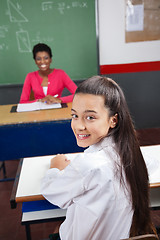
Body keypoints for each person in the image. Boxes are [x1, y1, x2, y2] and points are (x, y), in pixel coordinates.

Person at [41, 76, 157, 240]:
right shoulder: (135, 155)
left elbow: (51, 191)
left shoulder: (86, 166)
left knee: (57, 227)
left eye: (90, 117)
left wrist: (56, 168)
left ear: (113, 120)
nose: (79, 126)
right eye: (74, 116)